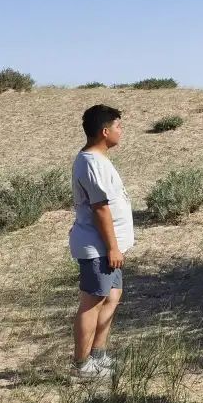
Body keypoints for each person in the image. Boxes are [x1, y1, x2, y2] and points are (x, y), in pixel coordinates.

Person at [69, 105, 134, 380]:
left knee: (112, 297)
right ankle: (83, 365)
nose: (121, 132)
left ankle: (98, 355)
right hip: (99, 246)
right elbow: (100, 208)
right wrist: (112, 247)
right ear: (105, 131)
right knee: (93, 301)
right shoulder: (90, 162)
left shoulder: (100, 160)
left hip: (110, 245)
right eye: (118, 126)